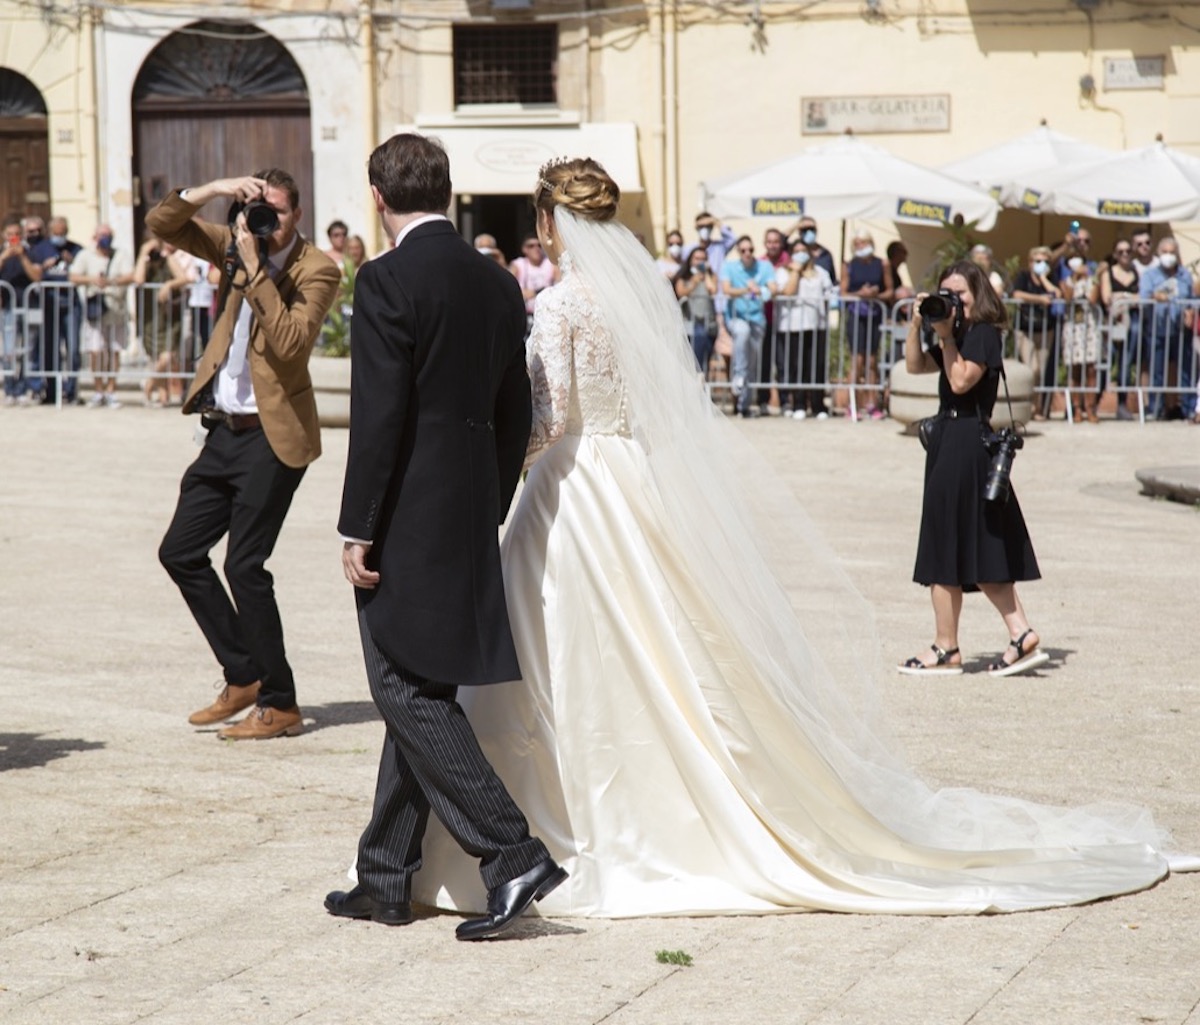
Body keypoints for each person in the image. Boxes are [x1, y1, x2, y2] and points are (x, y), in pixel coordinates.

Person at [412, 156, 1182, 919]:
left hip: (575, 486)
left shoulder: (559, 304)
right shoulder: (636, 296)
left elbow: (546, 421)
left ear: (551, 221)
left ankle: (547, 826)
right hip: (630, 477)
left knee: (561, 647)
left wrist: (480, 460)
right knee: (665, 643)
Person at [326, 133, 565, 939]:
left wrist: (359, 526)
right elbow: (515, 409)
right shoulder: (497, 283)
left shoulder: (387, 277)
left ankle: (510, 852)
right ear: (449, 191)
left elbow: (379, 417)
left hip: (408, 515)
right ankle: (384, 874)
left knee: (402, 686)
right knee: (419, 685)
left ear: (378, 196)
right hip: (470, 506)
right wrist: (492, 499)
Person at [147, 169, 339, 739]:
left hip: (274, 438)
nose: (264, 222)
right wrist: (214, 190)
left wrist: (255, 269)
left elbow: (289, 343)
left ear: (297, 215)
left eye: (276, 212)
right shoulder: (232, 242)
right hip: (222, 433)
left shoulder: (317, 269)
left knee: (245, 566)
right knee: (180, 552)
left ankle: (280, 701)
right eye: (258, 210)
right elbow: (163, 222)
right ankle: (243, 675)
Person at [899, 260, 1048, 678]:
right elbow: (914, 366)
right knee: (976, 541)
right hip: (950, 441)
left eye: (959, 293)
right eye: (945, 293)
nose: (952, 300)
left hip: (965, 442)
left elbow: (962, 381)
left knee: (946, 542)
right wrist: (919, 326)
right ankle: (1019, 633)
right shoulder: (957, 333)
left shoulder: (981, 334)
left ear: (977, 295)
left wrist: (947, 338)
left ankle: (946, 648)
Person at [69, 224, 134, 409]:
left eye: (107, 235)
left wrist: (111, 281)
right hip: (95, 310)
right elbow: (73, 276)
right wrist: (92, 281)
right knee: (95, 351)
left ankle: (111, 390)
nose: (104, 238)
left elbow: (131, 275)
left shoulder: (121, 254)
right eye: (101, 235)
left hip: (116, 310)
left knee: (114, 351)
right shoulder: (85, 255)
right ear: (94, 236)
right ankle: (98, 391)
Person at [775, 237, 834, 419]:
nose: (800, 254)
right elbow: (788, 291)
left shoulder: (820, 272)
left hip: (816, 325)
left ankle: (818, 405)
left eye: (803, 251)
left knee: (816, 365)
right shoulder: (783, 272)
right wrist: (796, 271)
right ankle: (798, 403)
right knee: (796, 366)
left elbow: (829, 293)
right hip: (793, 326)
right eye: (796, 251)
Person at [1138, 236, 1195, 420]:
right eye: (1165, 252)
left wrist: (1191, 310)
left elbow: (1192, 298)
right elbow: (1143, 297)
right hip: (1157, 329)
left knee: (1186, 370)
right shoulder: (1150, 275)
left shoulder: (1185, 275)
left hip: (1181, 330)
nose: (1169, 256)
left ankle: (1189, 408)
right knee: (1157, 371)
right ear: (1158, 253)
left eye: (1172, 252)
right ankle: (1156, 409)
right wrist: (1155, 296)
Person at [720, 235, 775, 417]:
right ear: (738, 252)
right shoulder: (729, 267)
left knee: (752, 361)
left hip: (757, 318)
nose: (747, 253)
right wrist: (746, 290)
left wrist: (761, 290)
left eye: (750, 250)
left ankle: (744, 406)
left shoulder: (764, 266)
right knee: (742, 333)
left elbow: (773, 289)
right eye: (743, 250)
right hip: (736, 317)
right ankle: (739, 375)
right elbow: (726, 289)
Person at [840, 231, 893, 419]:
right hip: (856, 314)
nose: (861, 246)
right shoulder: (848, 265)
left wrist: (875, 295)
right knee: (857, 360)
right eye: (858, 243)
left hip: (875, 314)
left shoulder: (883, 264)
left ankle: (873, 404)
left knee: (872, 360)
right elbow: (843, 292)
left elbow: (890, 291)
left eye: (864, 242)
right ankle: (850, 404)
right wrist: (860, 294)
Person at [133, 234, 189, 408]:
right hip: (151, 315)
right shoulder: (147, 261)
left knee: (167, 355)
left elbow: (183, 278)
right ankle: (164, 397)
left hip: (169, 316)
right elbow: (138, 279)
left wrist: (168, 285)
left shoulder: (169, 259)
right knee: (156, 356)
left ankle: (148, 385)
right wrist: (143, 254)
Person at [1010, 245, 1062, 420]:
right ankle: (1029, 405)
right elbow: (1016, 294)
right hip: (1025, 329)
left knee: (1041, 369)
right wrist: (1039, 299)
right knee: (1032, 369)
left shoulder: (1051, 278)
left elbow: (1057, 293)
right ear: (1031, 262)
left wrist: (1044, 279)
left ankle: (1037, 408)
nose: (1042, 264)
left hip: (1045, 329)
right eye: (1038, 261)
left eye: (1046, 261)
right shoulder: (1023, 276)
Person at [1, 218, 42, 405]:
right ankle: (10, 389)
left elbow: (36, 276)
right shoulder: (2, 253)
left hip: (28, 305)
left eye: (17, 234)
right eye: (10, 235)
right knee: (8, 350)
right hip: (7, 307)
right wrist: (5, 256)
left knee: (29, 349)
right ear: (4, 235)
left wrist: (22, 257)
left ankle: (24, 388)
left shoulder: (30, 252)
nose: (14, 238)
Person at [1098, 238, 1139, 420]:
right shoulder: (1108, 272)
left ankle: (1121, 404)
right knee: (1105, 361)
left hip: (1131, 324)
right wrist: (1128, 297)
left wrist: (1121, 297)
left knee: (1125, 363)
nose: (1125, 255)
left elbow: (1143, 296)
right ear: (1115, 254)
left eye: (1128, 251)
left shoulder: (1136, 272)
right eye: (1120, 251)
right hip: (1111, 323)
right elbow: (1107, 297)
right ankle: (1094, 401)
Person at [1060, 253, 1102, 423]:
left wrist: (1088, 277)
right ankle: (1077, 408)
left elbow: (1092, 298)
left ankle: (1090, 408)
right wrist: (1075, 278)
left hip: (1089, 328)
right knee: (1075, 370)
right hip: (1073, 328)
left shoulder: (1092, 281)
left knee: (1091, 369)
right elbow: (1068, 297)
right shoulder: (1065, 281)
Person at [673, 243, 718, 377]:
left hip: (709, 323)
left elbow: (713, 290)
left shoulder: (710, 276)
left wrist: (706, 275)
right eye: (696, 258)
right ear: (690, 260)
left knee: (705, 359)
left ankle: (702, 384)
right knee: (694, 360)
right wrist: (694, 281)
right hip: (691, 323)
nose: (700, 261)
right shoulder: (684, 276)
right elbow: (681, 292)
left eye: (703, 258)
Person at [510, 231, 558, 332]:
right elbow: (508, 290)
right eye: (531, 246)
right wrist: (539, 291)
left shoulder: (550, 264)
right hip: (525, 315)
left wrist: (530, 293)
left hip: (546, 315)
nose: (536, 249)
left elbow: (561, 285)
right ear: (524, 249)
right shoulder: (518, 265)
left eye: (539, 245)